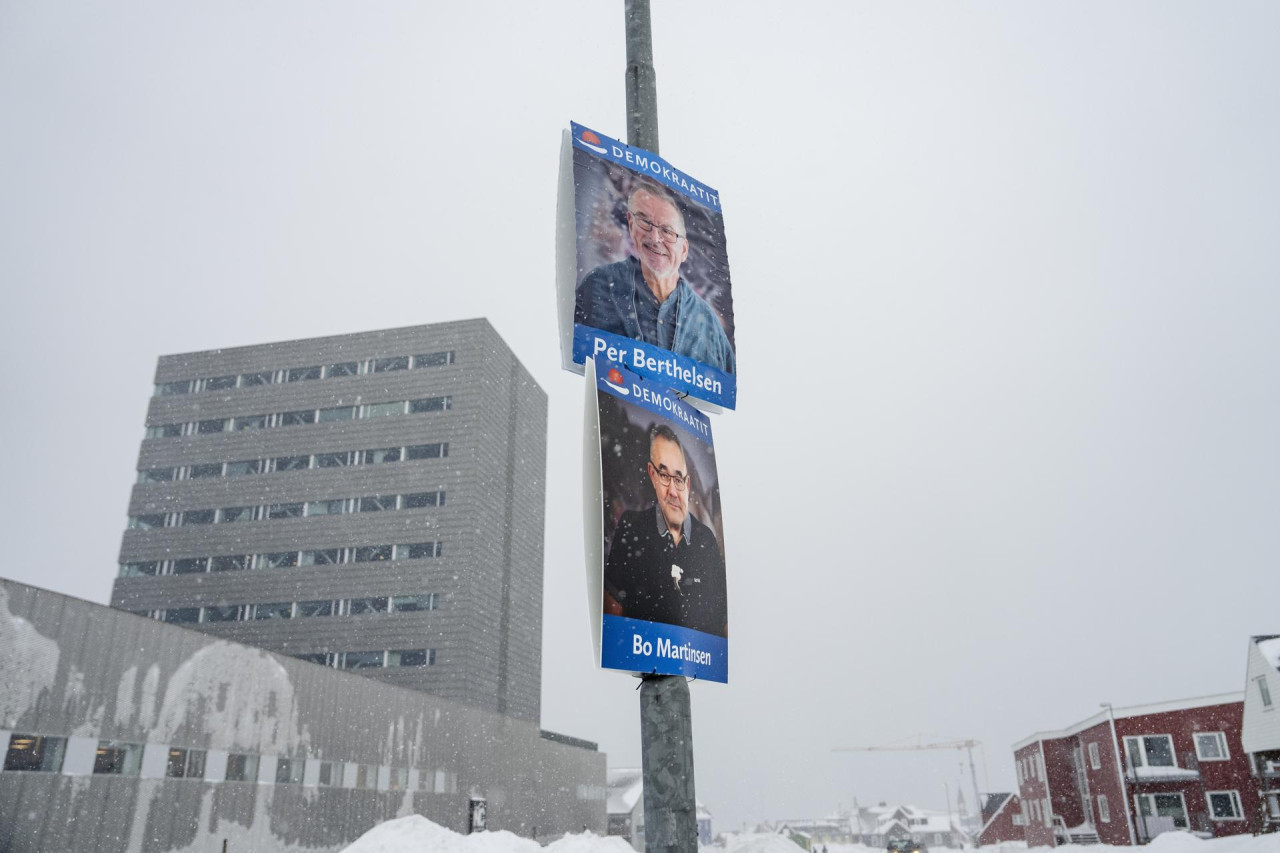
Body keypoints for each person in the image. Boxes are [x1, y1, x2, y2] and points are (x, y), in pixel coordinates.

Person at [574, 180, 736, 375]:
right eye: (645, 222)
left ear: (684, 249)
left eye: (667, 231)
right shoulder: (598, 285)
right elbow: (576, 358)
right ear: (631, 225)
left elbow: (725, 392)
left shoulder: (709, 326)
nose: (655, 238)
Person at [603, 424, 727, 637]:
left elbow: (722, 622)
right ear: (652, 474)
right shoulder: (632, 527)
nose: (672, 491)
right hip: (642, 658)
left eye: (678, 479)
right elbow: (613, 605)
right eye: (664, 475)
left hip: (692, 663)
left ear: (688, 485)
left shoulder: (706, 540)